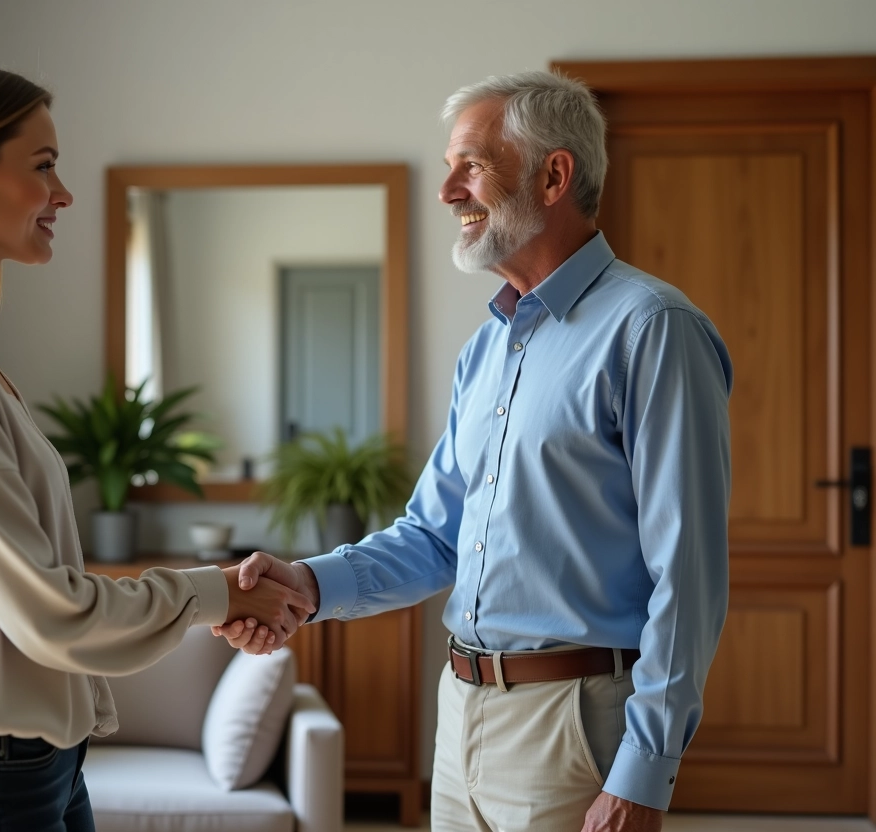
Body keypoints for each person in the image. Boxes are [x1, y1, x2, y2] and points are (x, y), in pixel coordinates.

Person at [216, 70, 732, 832]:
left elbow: (687, 576)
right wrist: (303, 584)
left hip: (574, 725)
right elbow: (433, 536)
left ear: (554, 174)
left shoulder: (652, 329)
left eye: (473, 164)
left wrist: (644, 771)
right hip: (459, 717)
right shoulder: (485, 351)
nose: (447, 190)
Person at [0, 59, 312, 832]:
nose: (63, 194)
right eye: (43, 167)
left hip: (29, 772)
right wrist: (220, 592)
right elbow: (54, 613)